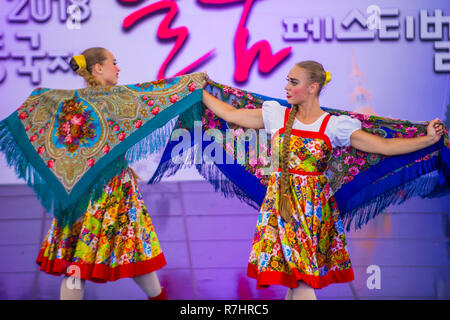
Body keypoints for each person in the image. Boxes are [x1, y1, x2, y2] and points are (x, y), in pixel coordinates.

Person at [201, 61, 444, 300]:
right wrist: (198, 92)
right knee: (295, 279)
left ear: (313, 87)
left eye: (293, 82)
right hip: (280, 209)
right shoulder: (276, 114)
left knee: (302, 280)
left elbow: (384, 146)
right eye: (287, 80)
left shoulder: (333, 126)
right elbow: (230, 114)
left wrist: (428, 140)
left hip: (311, 213)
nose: (286, 86)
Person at [36, 47, 167, 300]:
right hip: (111, 192)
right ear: (98, 68)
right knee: (133, 251)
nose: (118, 68)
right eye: (113, 63)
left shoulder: (73, 104)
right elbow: (160, 97)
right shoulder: (115, 100)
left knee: (79, 266)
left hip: (85, 193)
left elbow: (64, 150)